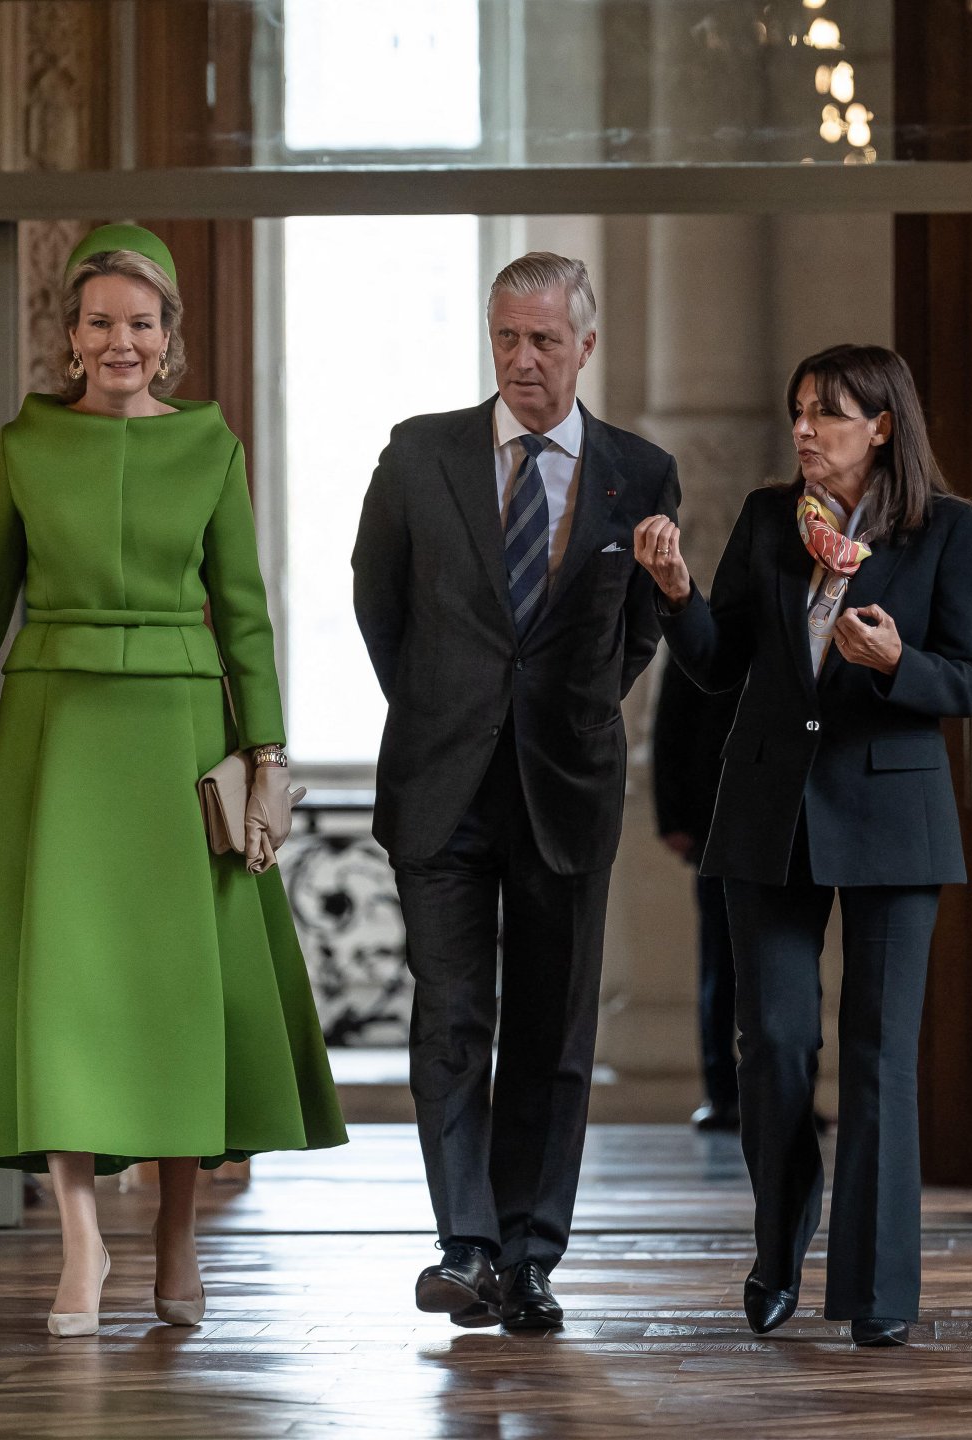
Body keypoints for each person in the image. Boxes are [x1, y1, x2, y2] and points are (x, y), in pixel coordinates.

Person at [0, 225, 346, 1336]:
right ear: (70, 336)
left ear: (168, 338)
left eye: (141, 322)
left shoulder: (212, 449)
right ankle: (81, 1245)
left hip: (181, 737)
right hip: (56, 736)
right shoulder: (26, 448)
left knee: (176, 998)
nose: (119, 340)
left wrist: (266, 757)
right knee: (67, 993)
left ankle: (175, 1233)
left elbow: (247, 618)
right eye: (99, 322)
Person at [634, 343, 972, 1349]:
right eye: (798, 410)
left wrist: (893, 664)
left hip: (892, 818)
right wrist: (675, 597)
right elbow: (716, 667)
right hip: (768, 816)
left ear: (882, 427)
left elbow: (970, 679)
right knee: (778, 1049)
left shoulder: (947, 530)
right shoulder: (766, 521)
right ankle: (780, 1245)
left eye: (827, 413)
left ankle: (877, 1287)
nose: (804, 429)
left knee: (882, 1056)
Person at [353, 252, 679, 1331]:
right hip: (442, 782)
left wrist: (566, 712)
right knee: (450, 1020)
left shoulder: (642, 473)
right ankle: (469, 1247)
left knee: (553, 1033)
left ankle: (534, 1256)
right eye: (506, 338)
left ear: (587, 344)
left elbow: (635, 633)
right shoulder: (418, 456)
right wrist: (450, 707)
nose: (523, 359)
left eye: (544, 340)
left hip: (566, 787)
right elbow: (380, 605)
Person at [650, 654, 742, 1130]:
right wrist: (673, 818)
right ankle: (721, 1093)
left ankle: (788, 1094)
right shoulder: (702, 619)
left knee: (789, 965)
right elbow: (669, 726)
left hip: (783, 818)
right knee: (720, 966)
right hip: (713, 820)